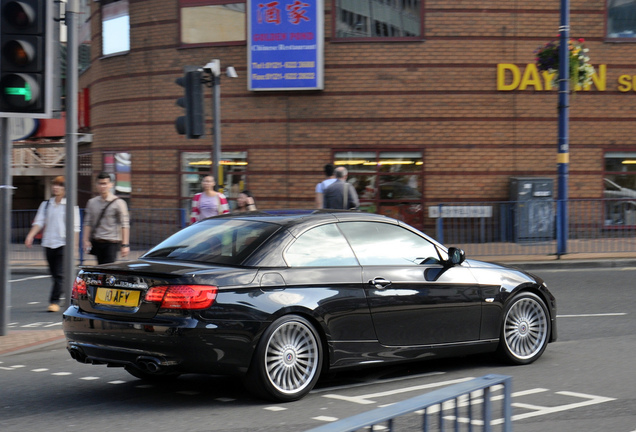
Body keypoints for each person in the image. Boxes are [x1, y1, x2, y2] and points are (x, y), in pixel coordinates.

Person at [25, 176, 80, 312]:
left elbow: (75, 228)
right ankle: (69, 295)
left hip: (63, 243)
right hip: (48, 243)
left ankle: (54, 301)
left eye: (59, 185)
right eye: (54, 185)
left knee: (60, 274)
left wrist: (74, 247)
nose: (56, 187)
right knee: (55, 274)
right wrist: (30, 235)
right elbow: (39, 222)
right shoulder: (46, 204)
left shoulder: (71, 206)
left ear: (65, 189)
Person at [82, 172, 130, 264]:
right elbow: (87, 223)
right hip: (97, 241)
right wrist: (85, 240)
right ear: (96, 185)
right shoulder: (92, 202)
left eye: (105, 183)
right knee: (100, 270)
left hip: (111, 242)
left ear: (110, 185)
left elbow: (125, 224)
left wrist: (125, 245)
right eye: (100, 183)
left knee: (108, 270)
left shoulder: (119, 203)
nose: (102, 186)